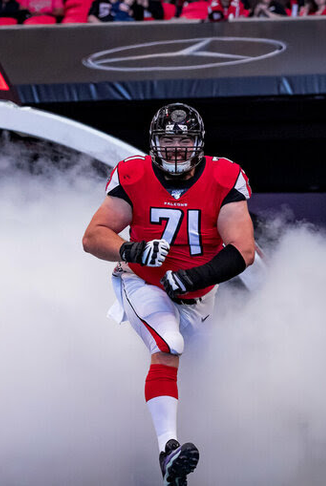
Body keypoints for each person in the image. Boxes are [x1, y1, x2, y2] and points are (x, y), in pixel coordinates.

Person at [82, 103, 255, 486]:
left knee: (216, 369)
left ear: (199, 143)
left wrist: (196, 277)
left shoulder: (224, 176)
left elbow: (242, 249)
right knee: (168, 343)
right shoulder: (133, 173)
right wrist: (130, 250)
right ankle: (168, 450)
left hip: (200, 293)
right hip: (143, 282)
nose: (176, 148)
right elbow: (93, 237)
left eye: (184, 140)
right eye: (168, 140)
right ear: (153, 143)